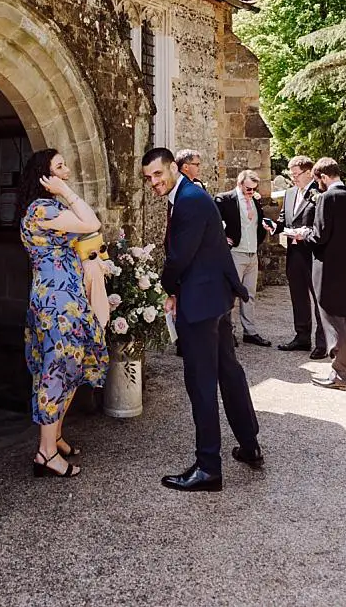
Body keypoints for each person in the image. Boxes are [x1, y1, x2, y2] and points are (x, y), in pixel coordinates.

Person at [141, 147, 261, 491]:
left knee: (202, 383)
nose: (153, 183)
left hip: (200, 304)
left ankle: (209, 467)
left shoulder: (190, 199)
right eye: (148, 178)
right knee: (228, 370)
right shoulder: (190, 195)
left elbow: (179, 257)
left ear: (173, 169)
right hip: (215, 299)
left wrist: (166, 289)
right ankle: (250, 444)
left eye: (158, 175)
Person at [16, 148, 107, 479]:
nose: (66, 169)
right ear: (45, 177)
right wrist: (66, 192)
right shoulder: (42, 209)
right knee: (58, 368)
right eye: (59, 167)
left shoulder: (47, 209)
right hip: (58, 302)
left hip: (61, 295)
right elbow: (92, 223)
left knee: (66, 365)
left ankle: (54, 437)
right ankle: (46, 452)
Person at [287, 158, 346, 390]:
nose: (318, 185)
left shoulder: (326, 199)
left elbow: (320, 236)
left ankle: (341, 375)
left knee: (334, 320)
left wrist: (305, 234)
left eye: (317, 180)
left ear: (323, 177)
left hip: (330, 269)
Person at [278, 154, 329, 358]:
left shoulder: (319, 194)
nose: (294, 178)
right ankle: (301, 337)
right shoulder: (290, 193)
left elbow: (321, 224)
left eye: (297, 174)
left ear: (309, 173)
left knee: (318, 300)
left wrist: (305, 232)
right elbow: (284, 219)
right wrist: (275, 226)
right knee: (298, 296)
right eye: (291, 175)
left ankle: (322, 343)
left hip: (313, 254)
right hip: (294, 252)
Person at [215, 169, 274, 346]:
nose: (251, 192)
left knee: (249, 294)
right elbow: (212, 221)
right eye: (248, 189)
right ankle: (228, 332)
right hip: (235, 254)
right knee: (230, 294)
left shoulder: (255, 201)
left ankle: (250, 332)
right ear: (240, 184)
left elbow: (259, 223)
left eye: (254, 189)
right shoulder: (225, 199)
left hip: (252, 254)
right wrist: (221, 237)